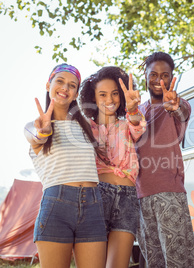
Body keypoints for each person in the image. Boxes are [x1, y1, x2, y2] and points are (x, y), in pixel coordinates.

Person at [24, 63, 107, 268]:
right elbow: (36, 137)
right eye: (59, 81)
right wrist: (43, 131)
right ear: (48, 85)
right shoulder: (34, 125)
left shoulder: (86, 127)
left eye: (72, 85)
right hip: (56, 205)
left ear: (76, 93)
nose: (65, 88)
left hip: (93, 205)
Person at [79, 66, 146, 268]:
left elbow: (139, 126)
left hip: (127, 198)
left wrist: (133, 109)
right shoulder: (85, 127)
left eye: (115, 93)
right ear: (93, 97)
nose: (110, 100)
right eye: (103, 94)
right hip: (96, 196)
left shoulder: (127, 124)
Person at [135, 52, 194, 267]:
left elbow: (182, 111)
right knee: (154, 263)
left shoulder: (176, 105)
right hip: (140, 198)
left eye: (165, 75)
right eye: (153, 74)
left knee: (179, 262)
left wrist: (175, 105)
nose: (159, 80)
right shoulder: (138, 112)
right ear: (145, 75)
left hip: (170, 195)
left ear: (172, 78)